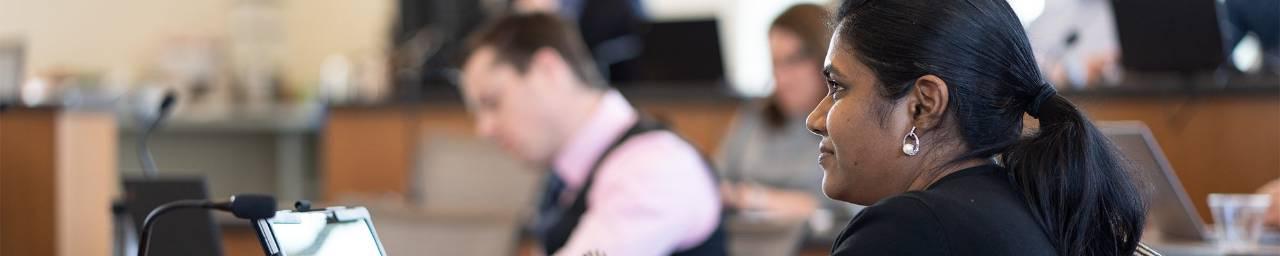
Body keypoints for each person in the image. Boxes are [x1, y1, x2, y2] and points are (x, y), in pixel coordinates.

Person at [808, 0, 1147, 255]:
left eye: (837, 87)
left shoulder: (905, 230)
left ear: (923, 105)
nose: (815, 119)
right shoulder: (1031, 208)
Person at [458, 13, 726, 256]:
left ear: (547, 69)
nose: (484, 128)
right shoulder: (570, 174)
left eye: (493, 102)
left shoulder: (650, 168)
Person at [715, 3, 856, 244]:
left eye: (793, 61)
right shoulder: (756, 115)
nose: (782, 77)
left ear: (825, 59)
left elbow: (849, 208)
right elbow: (717, 181)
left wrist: (755, 198)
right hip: (740, 239)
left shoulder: (849, 120)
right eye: (775, 63)